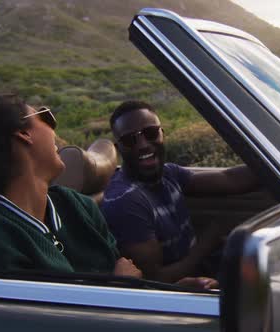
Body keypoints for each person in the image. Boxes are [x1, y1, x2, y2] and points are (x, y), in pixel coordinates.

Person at [0, 93, 215, 289]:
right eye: (45, 117)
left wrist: (175, 294)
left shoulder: (76, 206)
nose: (53, 128)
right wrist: (119, 288)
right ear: (24, 134)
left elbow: (126, 279)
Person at [100, 100, 258, 284]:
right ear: (119, 149)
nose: (143, 145)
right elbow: (154, 279)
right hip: (184, 289)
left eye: (151, 133)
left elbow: (230, 180)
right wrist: (208, 240)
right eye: (130, 140)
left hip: (204, 267)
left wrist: (273, 162)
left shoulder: (168, 173)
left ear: (162, 134)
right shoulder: (126, 201)